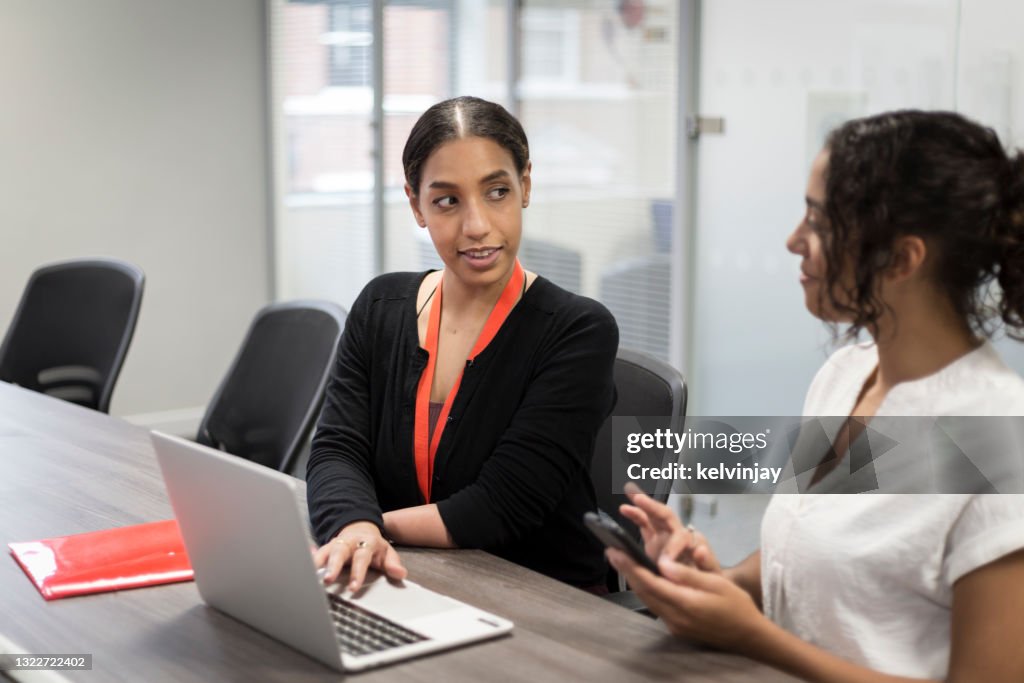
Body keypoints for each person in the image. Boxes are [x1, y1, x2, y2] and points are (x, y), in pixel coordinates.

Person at [608, 111, 1024, 682]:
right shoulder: (845, 375)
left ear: (903, 258)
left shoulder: (998, 438)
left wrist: (756, 639)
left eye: (819, 221)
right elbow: (806, 551)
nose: (793, 240)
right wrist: (713, 583)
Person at [307, 96, 617, 594]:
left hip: (543, 603)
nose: (477, 226)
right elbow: (337, 449)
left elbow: (499, 507)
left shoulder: (578, 330)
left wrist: (366, 527)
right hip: (413, 581)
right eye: (447, 200)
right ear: (417, 206)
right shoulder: (380, 306)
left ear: (526, 186)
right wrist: (356, 527)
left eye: (497, 191)